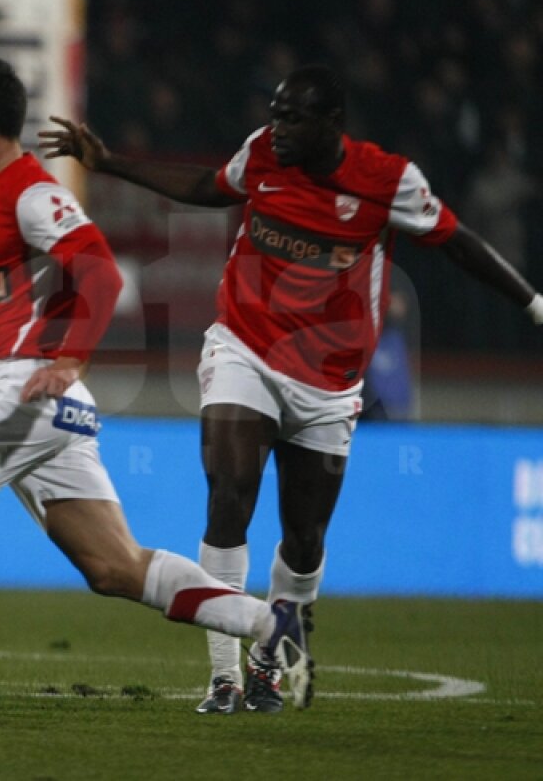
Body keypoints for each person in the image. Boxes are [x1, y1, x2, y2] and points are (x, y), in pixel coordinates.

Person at [0, 55, 314, 711]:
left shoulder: (31, 193)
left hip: (27, 385)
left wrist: (69, 357)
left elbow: (101, 270)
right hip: (51, 405)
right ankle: (271, 624)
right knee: (115, 567)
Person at [42, 64, 543, 714]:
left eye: (292, 118)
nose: (276, 128)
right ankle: (224, 678)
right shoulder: (261, 154)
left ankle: (267, 667)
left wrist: (534, 305)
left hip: (328, 383)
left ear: (331, 124)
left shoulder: (388, 180)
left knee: (304, 539)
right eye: (274, 114)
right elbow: (207, 186)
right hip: (244, 347)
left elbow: (459, 243)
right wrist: (109, 163)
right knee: (228, 496)